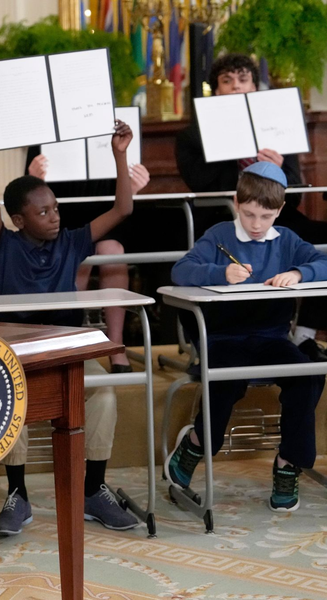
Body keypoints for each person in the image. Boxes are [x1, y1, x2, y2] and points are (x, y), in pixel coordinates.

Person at [0, 96, 139, 533]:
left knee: (103, 392)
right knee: (7, 397)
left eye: (56, 208)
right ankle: (17, 494)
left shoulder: (71, 242)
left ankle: (93, 490)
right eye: (43, 212)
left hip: (66, 349)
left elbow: (124, 210)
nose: (54, 217)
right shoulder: (4, 244)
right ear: (17, 219)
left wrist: (120, 157)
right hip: (16, 352)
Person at [167, 161, 327, 512]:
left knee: (309, 375)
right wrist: (220, 272)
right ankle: (196, 443)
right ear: (236, 202)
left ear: (279, 211)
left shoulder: (286, 241)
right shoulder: (219, 235)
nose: (257, 225)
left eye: (266, 217)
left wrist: (300, 273)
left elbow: (322, 262)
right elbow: (181, 270)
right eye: (250, 214)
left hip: (271, 339)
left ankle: (288, 463)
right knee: (225, 381)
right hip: (225, 338)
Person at [176, 52, 327, 362]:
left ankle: (305, 333)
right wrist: (232, 153)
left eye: (243, 80)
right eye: (227, 81)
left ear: (255, 88)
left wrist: (278, 170)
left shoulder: (278, 129)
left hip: (275, 219)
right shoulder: (193, 134)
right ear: (215, 90)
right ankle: (218, 341)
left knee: (317, 245)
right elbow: (199, 185)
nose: (236, 87)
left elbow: (294, 195)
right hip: (221, 216)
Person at [25, 148, 151, 373]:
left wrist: (132, 187)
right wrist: (34, 182)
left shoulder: (112, 132)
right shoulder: (44, 133)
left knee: (113, 250)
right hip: (63, 217)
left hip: (108, 212)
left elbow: (123, 203)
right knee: (77, 257)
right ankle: (69, 341)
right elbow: (26, 195)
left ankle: (115, 344)